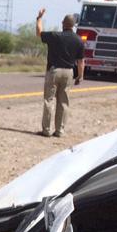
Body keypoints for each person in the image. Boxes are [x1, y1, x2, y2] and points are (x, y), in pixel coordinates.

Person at [36, 8, 85, 138]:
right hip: (69, 72)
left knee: (49, 100)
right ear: (74, 25)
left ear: (63, 23)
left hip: (54, 71)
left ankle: (46, 130)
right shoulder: (79, 40)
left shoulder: (55, 36)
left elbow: (39, 33)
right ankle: (59, 131)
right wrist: (80, 76)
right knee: (63, 102)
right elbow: (81, 62)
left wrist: (39, 18)